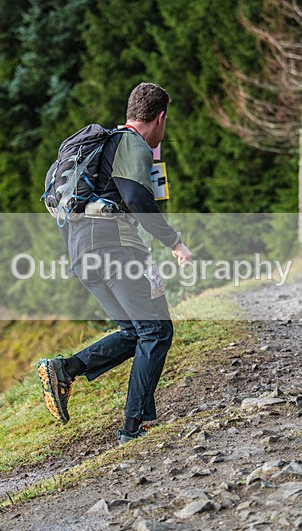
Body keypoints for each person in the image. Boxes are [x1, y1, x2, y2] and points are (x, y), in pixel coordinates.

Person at [38, 82, 193, 445]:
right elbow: (138, 198)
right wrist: (175, 242)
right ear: (160, 118)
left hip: (82, 254)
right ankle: (133, 427)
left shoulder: (101, 146)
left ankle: (67, 368)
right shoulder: (134, 144)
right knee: (156, 331)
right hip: (116, 249)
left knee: (134, 332)